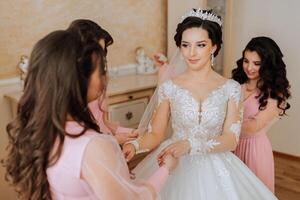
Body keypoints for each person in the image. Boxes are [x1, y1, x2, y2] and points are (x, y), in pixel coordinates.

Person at [2, 29, 178, 199]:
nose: (105, 76)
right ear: (78, 79)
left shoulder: (44, 130)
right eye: (101, 70)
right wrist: (166, 169)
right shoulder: (92, 146)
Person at [122, 9, 278, 199]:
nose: (191, 53)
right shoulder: (169, 87)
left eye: (200, 45)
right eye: (185, 45)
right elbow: (155, 133)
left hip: (216, 165)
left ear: (213, 47)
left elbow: (231, 139)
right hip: (172, 160)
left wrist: (190, 144)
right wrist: (135, 145)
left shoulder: (231, 88)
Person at [232, 36, 291, 192]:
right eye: (246, 61)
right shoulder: (236, 83)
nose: (249, 67)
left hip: (254, 151)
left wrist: (220, 123)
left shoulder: (275, 94)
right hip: (230, 146)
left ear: (268, 65)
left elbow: (253, 127)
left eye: (257, 63)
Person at [68, 19, 138, 145]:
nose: (102, 59)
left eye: (103, 52)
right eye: (97, 52)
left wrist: (128, 132)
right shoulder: (69, 91)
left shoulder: (99, 83)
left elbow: (104, 123)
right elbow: (79, 143)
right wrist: (115, 140)